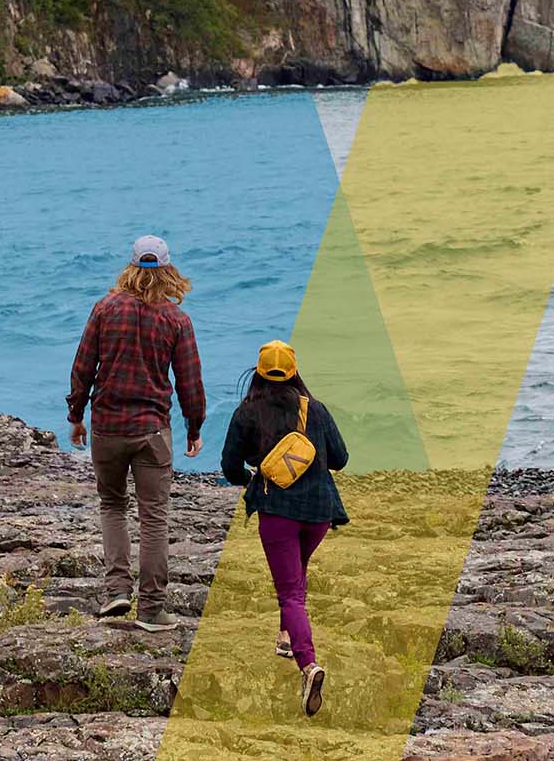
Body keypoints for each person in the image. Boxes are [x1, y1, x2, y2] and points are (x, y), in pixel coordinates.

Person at [67, 233, 205, 631]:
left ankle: (116, 590)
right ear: (167, 270)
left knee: (112, 505)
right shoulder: (176, 320)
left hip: (107, 428)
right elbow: (190, 383)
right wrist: (194, 427)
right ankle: (151, 610)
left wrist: (76, 415)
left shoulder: (105, 308)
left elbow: (82, 367)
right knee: (154, 519)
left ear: (130, 267)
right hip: (151, 432)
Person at [219, 339, 348, 717]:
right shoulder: (316, 411)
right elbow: (340, 459)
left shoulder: (247, 413)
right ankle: (284, 637)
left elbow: (229, 467)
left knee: (291, 591)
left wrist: (254, 478)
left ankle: (308, 666)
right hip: (319, 514)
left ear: (259, 373)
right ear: (294, 372)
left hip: (277, 513)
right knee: (296, 572)